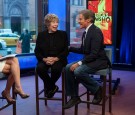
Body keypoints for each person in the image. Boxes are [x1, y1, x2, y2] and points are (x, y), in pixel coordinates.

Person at [63, 9, 109, 109]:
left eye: (80, 19)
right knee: (67, 68)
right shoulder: (85, 32)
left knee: (78, 71)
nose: (78, 21)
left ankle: (98, 90)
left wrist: (79, 63)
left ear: (88, 20)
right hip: (90, 59)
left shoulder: (96, 32)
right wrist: (70, 48)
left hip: (99, 61)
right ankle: (74, 97)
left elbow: (94, 54)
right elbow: (84, 50)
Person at [34, 14, 68, 98]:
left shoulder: (63, 34)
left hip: (58, 59)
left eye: (57, 22)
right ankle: (53, 87)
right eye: (53, 22)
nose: (56, 24)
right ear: (47, 24)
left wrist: (56, 58)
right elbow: (37, 51)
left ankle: (49, 88)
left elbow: (66, 50)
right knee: (40, 68)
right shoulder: (41, 35)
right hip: (45, 59)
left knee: (56, 69)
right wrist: (45, 59)